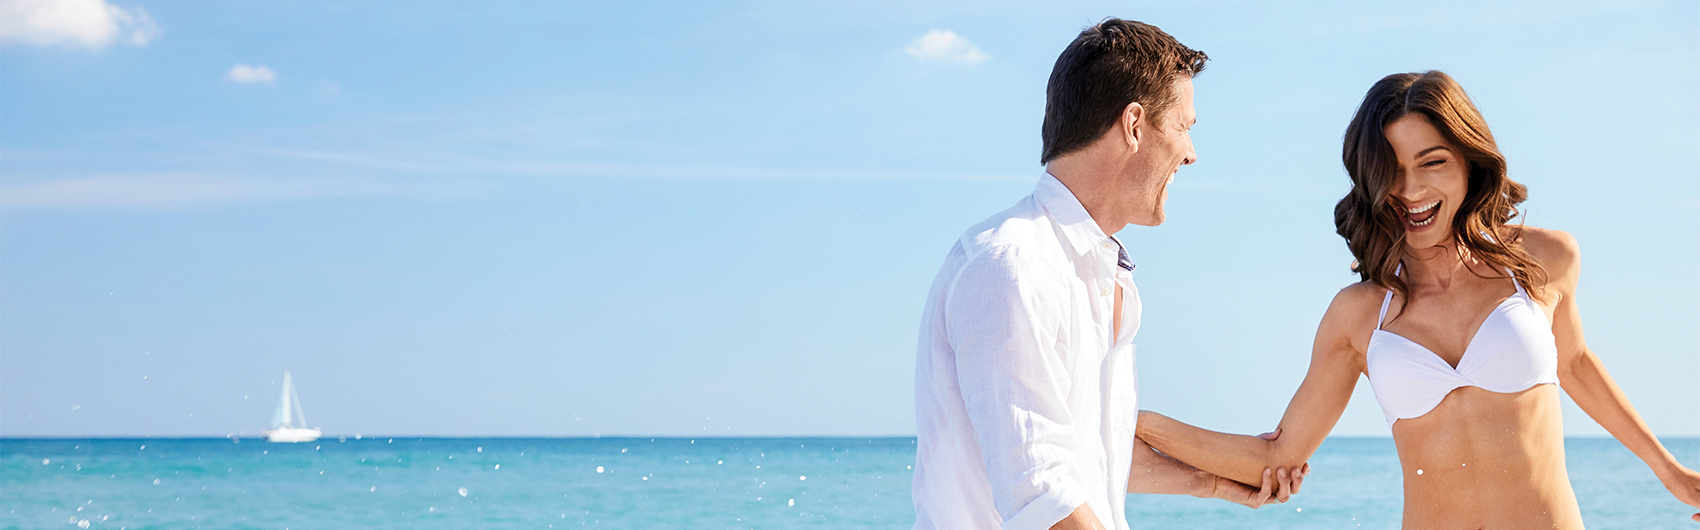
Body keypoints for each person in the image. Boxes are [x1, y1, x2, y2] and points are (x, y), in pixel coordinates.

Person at [1135, 70, 1700, 528]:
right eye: (1391, 171)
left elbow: (1574, 361)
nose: (1410, 191)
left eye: (1432, 161)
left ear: (1468, 162)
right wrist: (1130, 420)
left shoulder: (1544, 260)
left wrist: (1670, 471)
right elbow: (1276, 458)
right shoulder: (1359, 313)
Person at [910, 19, 1302, 530]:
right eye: (1183, 126)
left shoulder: (1099, 270)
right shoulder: (1014, 266)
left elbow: (1086, 449)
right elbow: (1040, 494)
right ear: (1134, 125)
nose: (1191, 153)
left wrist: (1210, 483)